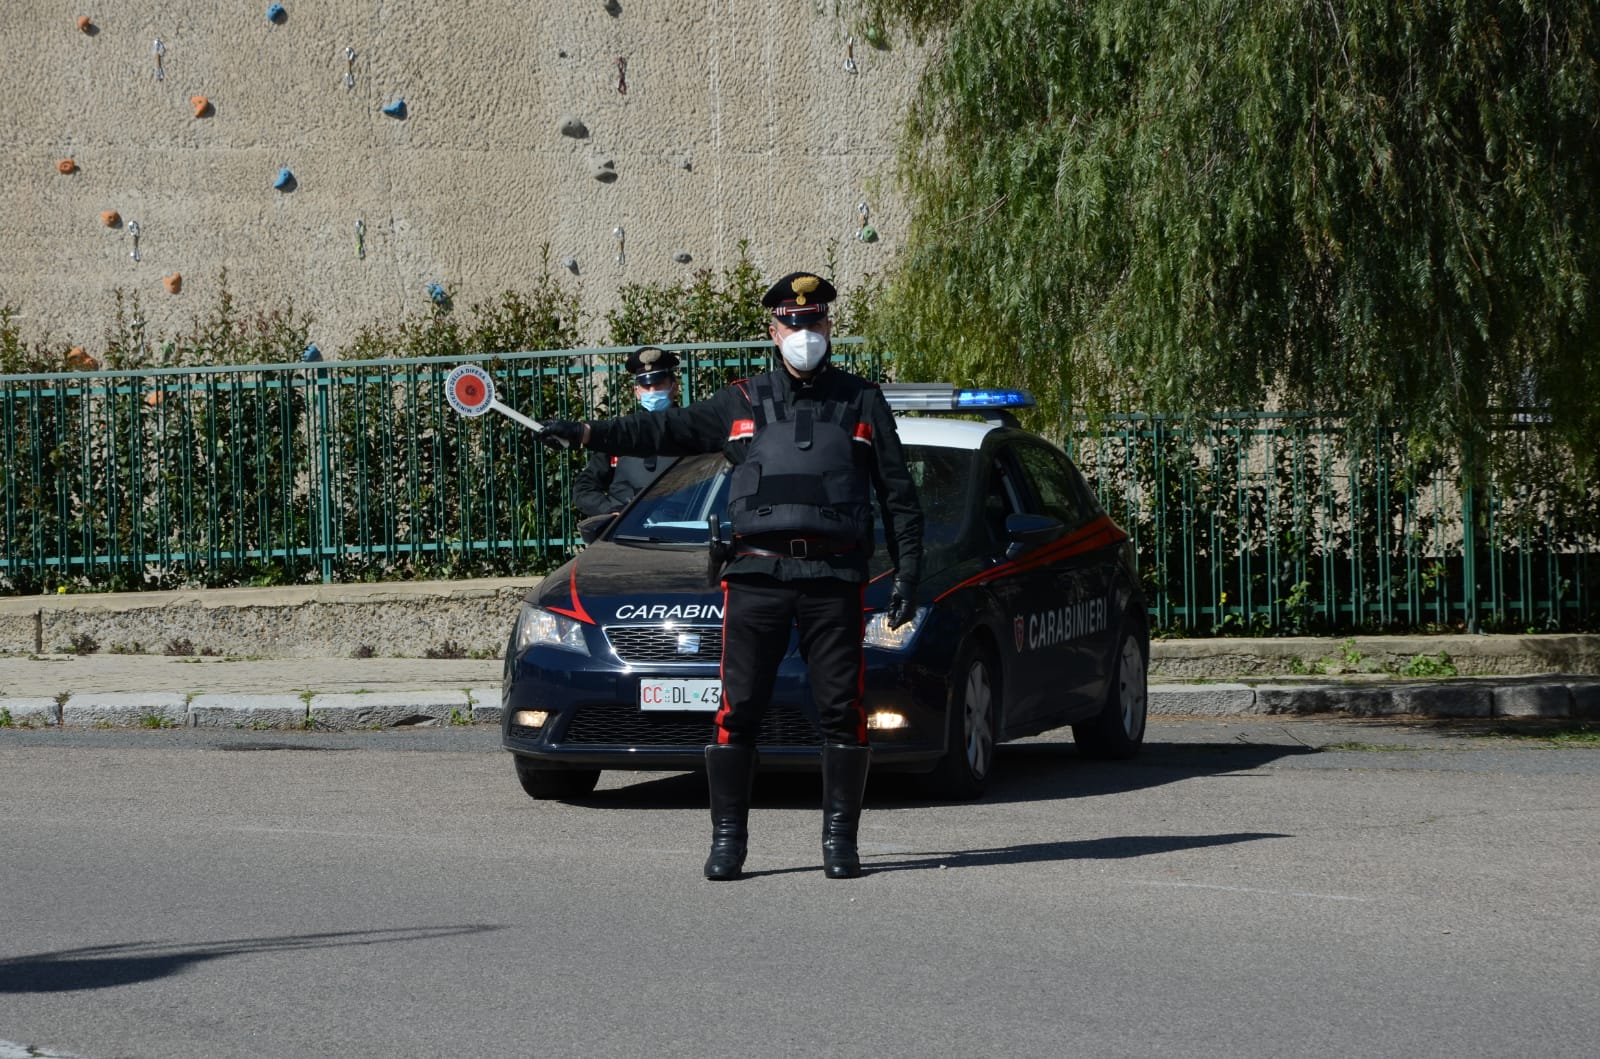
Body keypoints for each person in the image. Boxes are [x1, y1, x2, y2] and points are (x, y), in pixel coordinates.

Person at [539, 271, 924, 881]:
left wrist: (909, 572)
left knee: (840, 710)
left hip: (832, 577)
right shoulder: (741, 400)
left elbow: (898, 494)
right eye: (793, 323)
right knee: (738, 709)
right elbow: (661, 431)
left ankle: (840, 843)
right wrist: (590, 433)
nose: (805, 333)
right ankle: (727, 843)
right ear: (773, 330)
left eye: (814, 321)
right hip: (755, 578)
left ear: (829, 326)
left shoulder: (862, 401)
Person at [573, 347, 680, 517]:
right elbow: (584, 487)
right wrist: (609, 510)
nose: (652, 392)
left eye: (658, 384)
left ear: (674, 387)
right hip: (623, 531)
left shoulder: (691, 430)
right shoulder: (620, 434)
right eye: (646, 386)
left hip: (678, 525)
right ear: (637, 392)